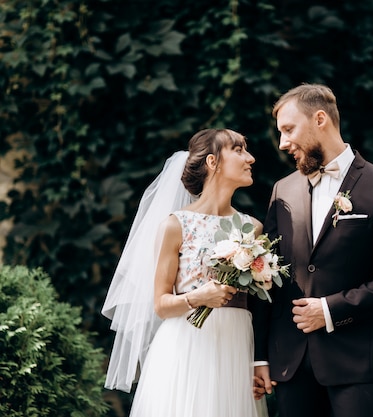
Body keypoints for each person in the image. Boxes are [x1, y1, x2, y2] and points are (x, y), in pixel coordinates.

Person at [251, 84, 373, 417]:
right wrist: (261, 356)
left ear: (320, 119)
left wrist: (329, 309)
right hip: (291, 365)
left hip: (354, 363)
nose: (283, 143)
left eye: (288, 129)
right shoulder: (283, 190)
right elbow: (265, 274)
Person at [102, 128, 268, 417]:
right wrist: (198, 297)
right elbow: (161, 305)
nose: (250, 158)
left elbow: (260, 304)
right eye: (238, 150)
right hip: (187, 348)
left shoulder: (251, 228)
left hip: (236, 348)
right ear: (213, 162)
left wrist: (257, 362)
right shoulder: (175, 226)